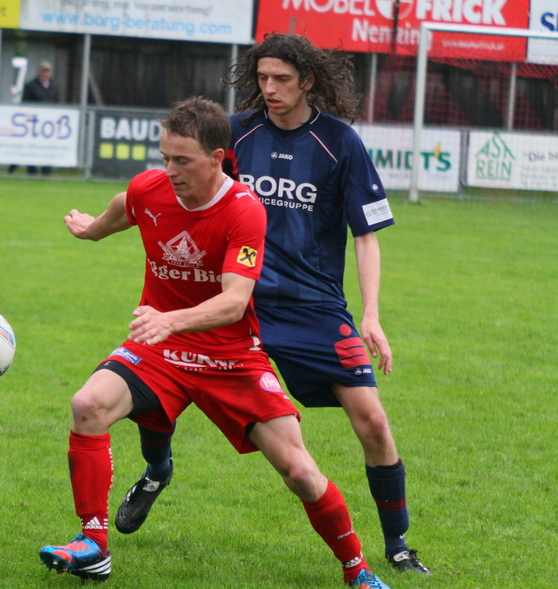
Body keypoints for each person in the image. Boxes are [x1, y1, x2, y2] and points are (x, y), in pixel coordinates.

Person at [38, 96, 390, 589]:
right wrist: (91, 230)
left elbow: (234, 302)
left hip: (230, 356)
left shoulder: (244, 211)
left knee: (299, 472)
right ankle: (93, 544)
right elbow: (126, 205)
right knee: (87, 404)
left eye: (182, 160)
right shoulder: (151, 188)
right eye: (165, 157)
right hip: (160, 350)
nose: (169, 170)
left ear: (217, 158)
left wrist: (170, 320)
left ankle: (357, 569)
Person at [117, 33, 431, 576]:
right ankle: (157, 469)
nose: (270, 88)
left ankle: (398, 546)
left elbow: (366, 235)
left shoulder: (341, 143)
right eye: (262, 78)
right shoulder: (235, 132)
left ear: (307, 80)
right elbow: (174, 186)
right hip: (233, 302)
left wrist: (371, 315)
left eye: (281, 78)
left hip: (314, 306)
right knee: (158, 380)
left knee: (373, 421)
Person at [10, 61, 59, 176]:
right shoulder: (31, 85)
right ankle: (31, 171)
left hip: (49, 124)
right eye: (43, 71)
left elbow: (57, 103)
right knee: (32, 147)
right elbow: (25, 103)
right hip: (34, 123)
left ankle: (46, 172)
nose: (45, 74)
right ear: (39, 72)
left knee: (48, 148)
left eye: (47, 71)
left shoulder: (55, 86)